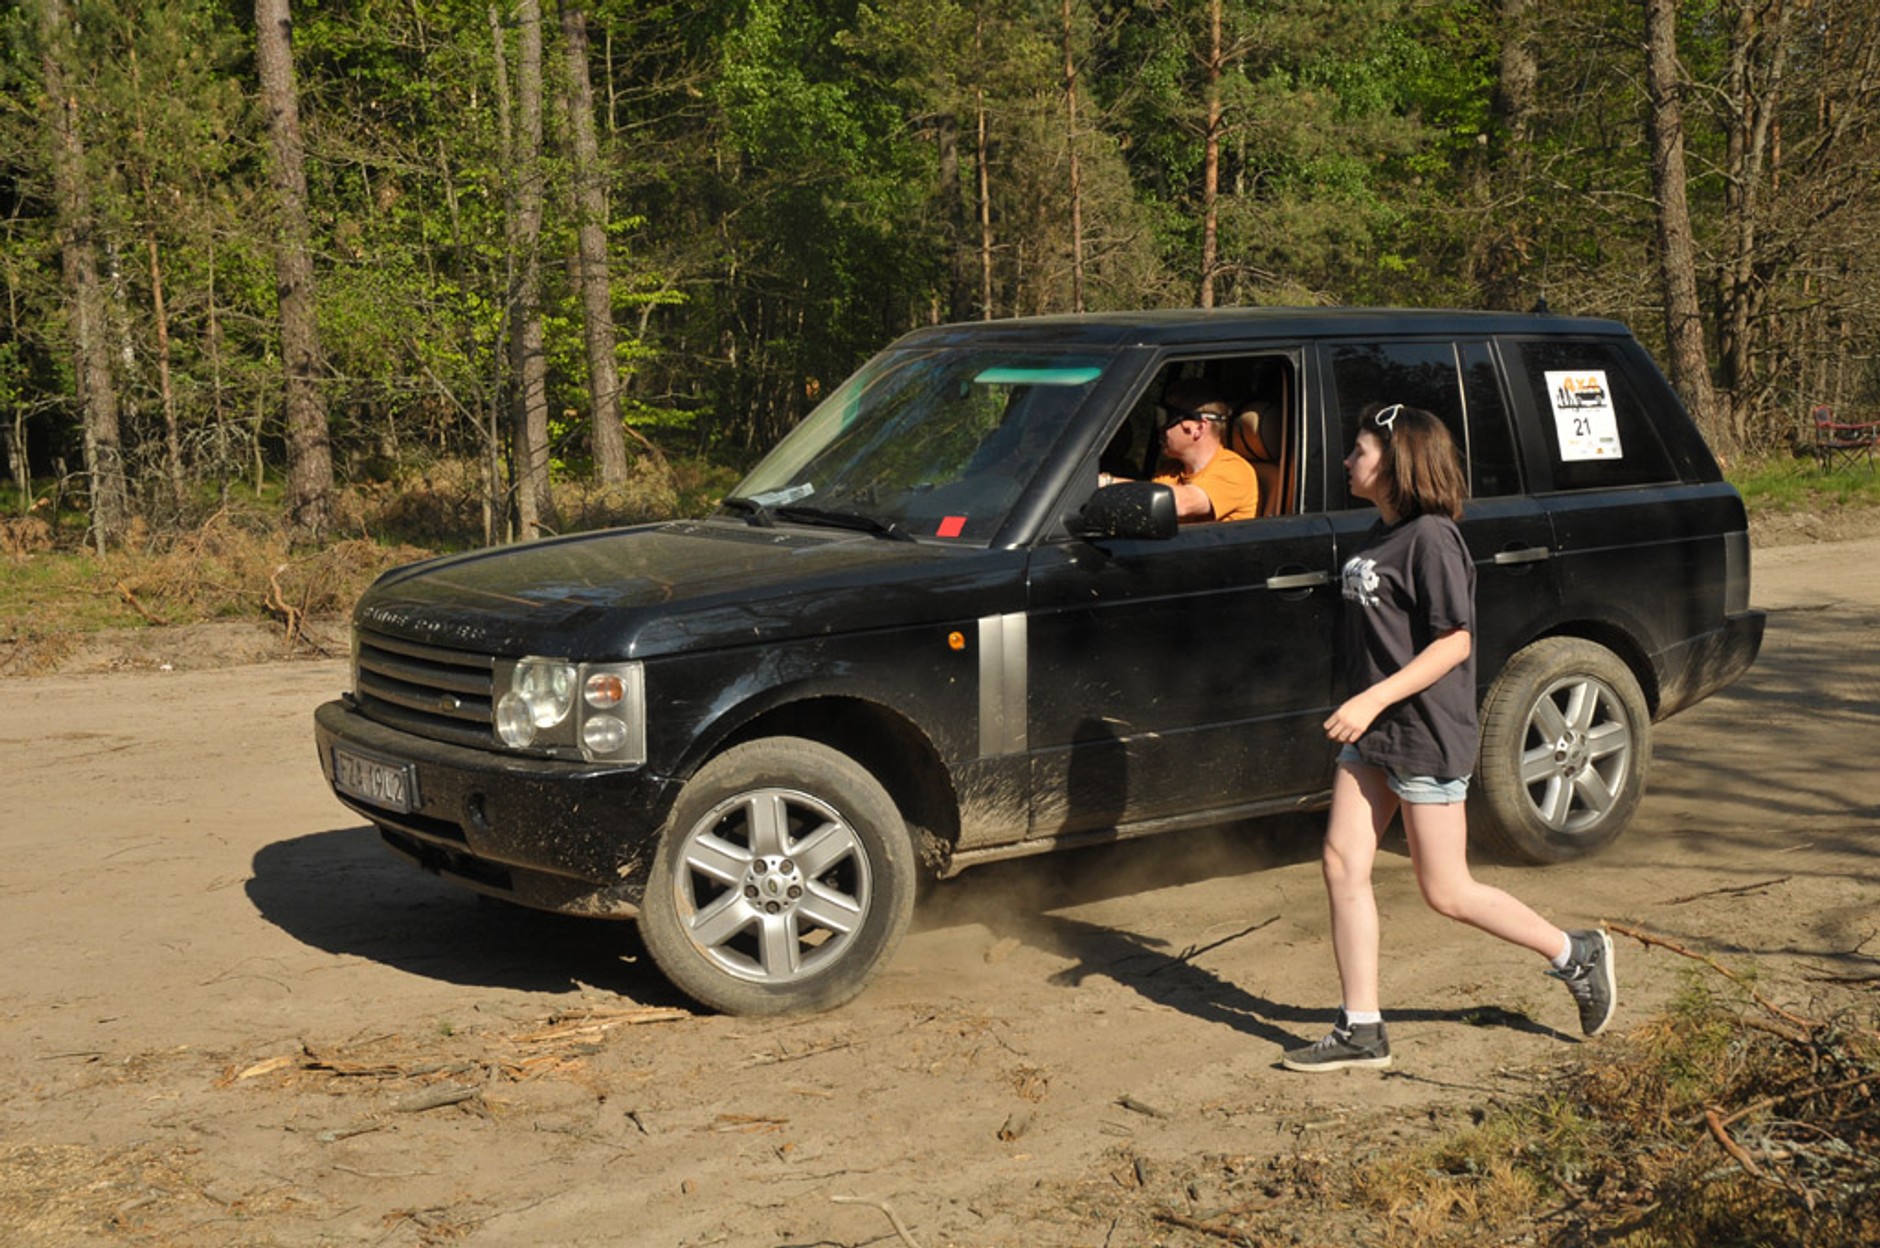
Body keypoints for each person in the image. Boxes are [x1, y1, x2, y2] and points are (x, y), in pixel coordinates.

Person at [1282, 402, 1616, 1073]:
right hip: (1375, 732)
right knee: (1343, 864)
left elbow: (1455, 641)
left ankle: (1572, 953)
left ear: (1399, 459)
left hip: (1425, 733)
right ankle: (1362, 1026)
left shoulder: (1432, 538)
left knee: (1447, 891)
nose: (1348, 461)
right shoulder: (1380, 533)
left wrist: (1373, 696)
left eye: (1359, 450)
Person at [1100, 381, 1258, 522]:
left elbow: (1177, 503)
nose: (1160, 428)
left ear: (1198, 427)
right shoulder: (1171, 471)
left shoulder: (1235, 471)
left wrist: (1106, 483)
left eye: (1165, 417)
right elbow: (1146, 503)